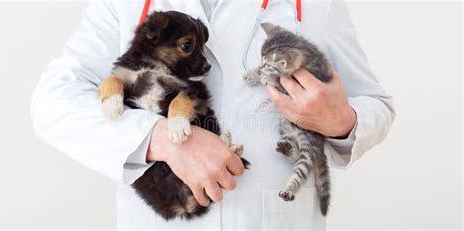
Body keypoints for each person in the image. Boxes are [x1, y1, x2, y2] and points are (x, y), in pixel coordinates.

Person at [30, 0, 395, 229]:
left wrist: (341, 121)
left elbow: (375, 103)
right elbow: (53, 101)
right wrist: (160, 139)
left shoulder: (315, 5)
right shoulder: (124, 4)